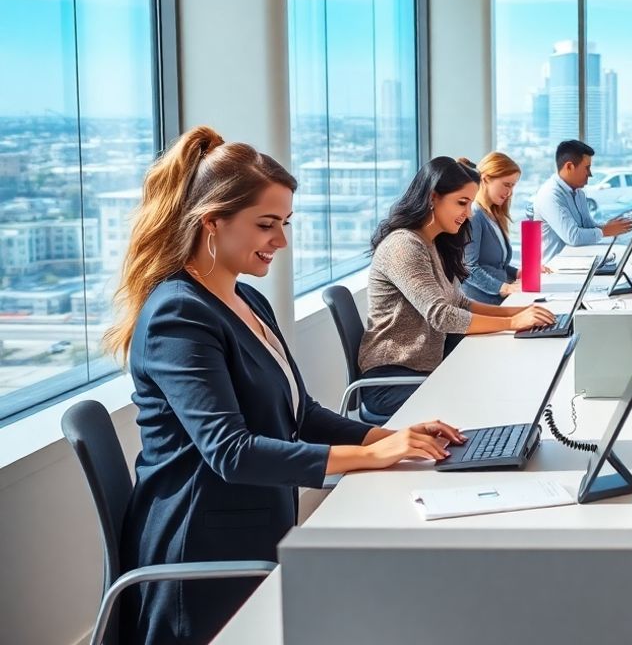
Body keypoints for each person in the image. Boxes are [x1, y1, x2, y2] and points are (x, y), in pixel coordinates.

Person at [105, 127, 466, 645]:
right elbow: (231, 453)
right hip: (205, 549)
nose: (281, 240)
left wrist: (389, 437)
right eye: (266, 224)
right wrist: (375, 457)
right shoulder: (178, 315)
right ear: (212, 223)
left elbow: (302, 414)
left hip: (257, 523)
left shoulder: (249, 302)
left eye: (286, 223)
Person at [358, 157, 555, 422]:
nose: (470, 213)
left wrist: (522, 312)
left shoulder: (434, 243)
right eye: (462, 203)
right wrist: (512, 321)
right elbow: (441, 315)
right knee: (493, 396)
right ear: (432, 198)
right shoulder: (404, 246)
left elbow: (460, 303)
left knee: (505, 377)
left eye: (471, 204)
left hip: (427, 369)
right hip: (392, 381)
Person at [533, 140, 632, 262]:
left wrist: (609, 226)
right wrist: (605, 231)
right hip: (553, 270)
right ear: (569, 167)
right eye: (587, 168)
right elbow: (573, 237)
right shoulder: (550, 195)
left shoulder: (579, 193)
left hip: (576, 262)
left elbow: (588, 227)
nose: (590, 174)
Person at [460, 152, 521, 305]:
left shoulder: (492, 215)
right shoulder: (474, 215)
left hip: (497, 300)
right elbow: (468, 268)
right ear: (486, 179)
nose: (510, 192)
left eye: (513, 186)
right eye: (507, 184)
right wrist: (505, 288)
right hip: (481, 305)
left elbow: (496, 265)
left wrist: (518, 273)